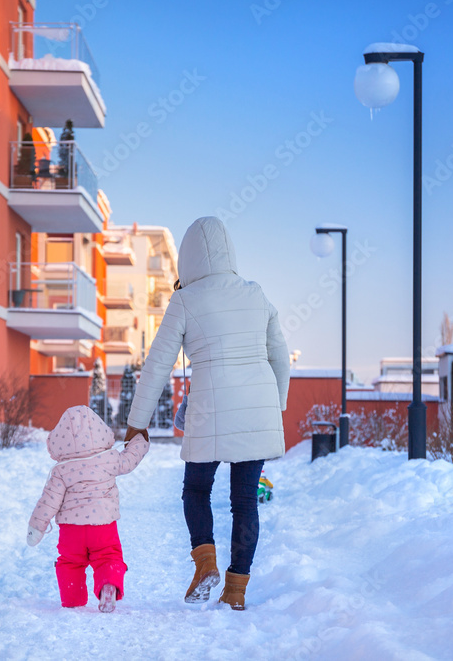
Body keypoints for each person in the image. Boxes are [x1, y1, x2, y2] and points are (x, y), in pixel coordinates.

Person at [124, 216, 290, 610]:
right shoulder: (256, 293)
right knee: (245, 500)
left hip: (209, 411)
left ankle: (205, 564)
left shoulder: (185, 300)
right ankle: (236, 591)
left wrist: (137, 423)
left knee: (197, 489)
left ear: (188, 260)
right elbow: (280, 356)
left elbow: (157, 365)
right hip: (257, 412)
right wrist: (275, 406)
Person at [27, 405, 149, 612]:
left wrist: (36, 527)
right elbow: (130, 459)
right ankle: (108, 585)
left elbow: (49, 501)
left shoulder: (61, 469)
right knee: (108, 556)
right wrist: (139, 440)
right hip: (102, 526)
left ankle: (72, 599)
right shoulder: (110, 459)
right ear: (99, 431)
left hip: (71, 530)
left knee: (69, 563)